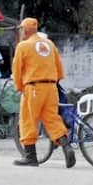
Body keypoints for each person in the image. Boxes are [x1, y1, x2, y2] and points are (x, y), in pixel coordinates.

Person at [11, 18, 75, 168]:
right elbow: (59, 70)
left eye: (21, 29)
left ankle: (31, 157)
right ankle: (67, 146)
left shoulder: (23, 46)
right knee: (52, 119)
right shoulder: (49, 44)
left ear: (25, 30)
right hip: (51, 87)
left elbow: (17, 70)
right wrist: (53, 82)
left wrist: (20, 87)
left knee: (28, 120)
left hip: (33, 88)